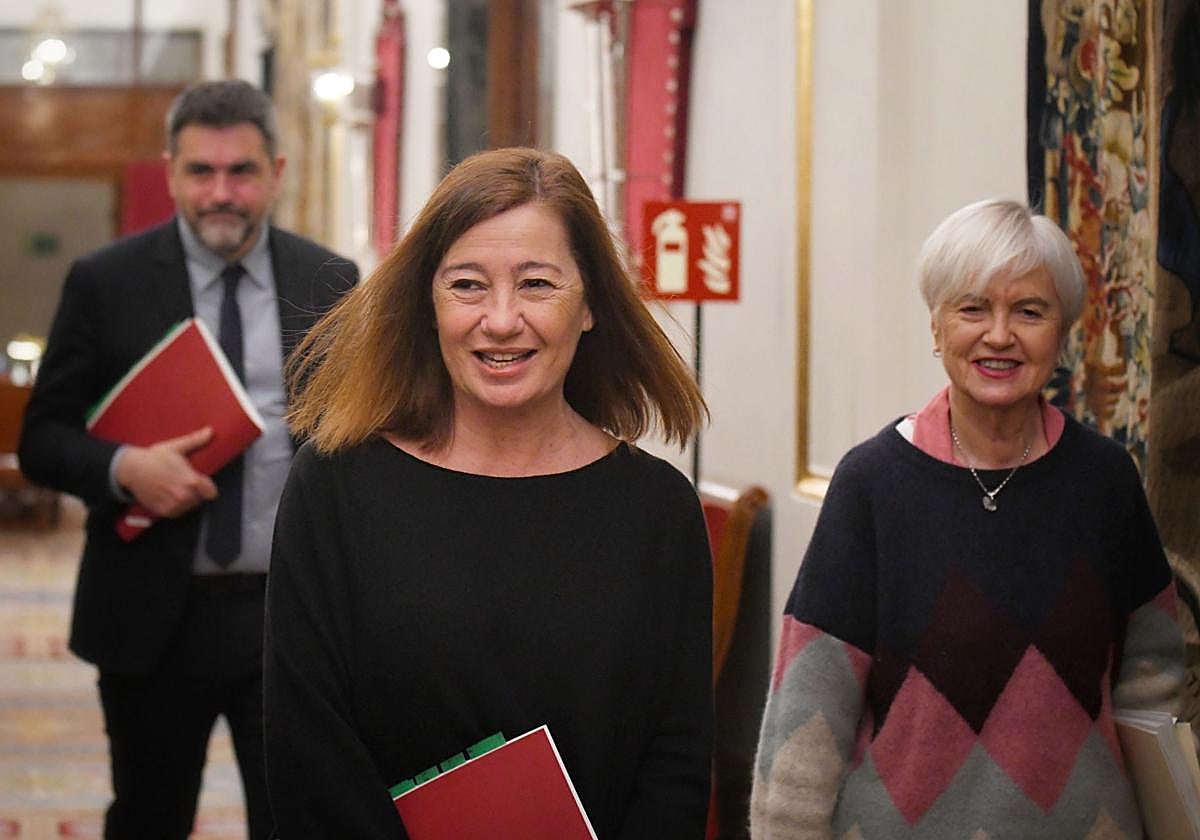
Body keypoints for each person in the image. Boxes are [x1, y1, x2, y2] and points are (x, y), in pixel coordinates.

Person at [263, 146, 714, 838]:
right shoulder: (335, 488)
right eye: (468, 286)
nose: (501, 320)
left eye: (536, 284)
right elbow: (307, 748)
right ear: (428, 303)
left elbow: (677, 756)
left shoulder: (657, 510)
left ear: (590, 304)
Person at [750, 199, 1185, 838]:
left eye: (1029, 311)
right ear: (936, 327)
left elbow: (1153, 687)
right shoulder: (873, 484)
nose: (999, 335)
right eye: (972, 308)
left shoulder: (1106, 482)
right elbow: (808, 714)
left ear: (1063, 332)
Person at [18, 79, 358, 839]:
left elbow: (355, 436)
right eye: (201, 172)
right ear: (171, 173)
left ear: (276, 172)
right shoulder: (105, 283)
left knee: (298, 824)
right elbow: (43, 438)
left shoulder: (329, 282)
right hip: (152, 616)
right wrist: (123, 469)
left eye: (241, 172)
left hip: (289, 619)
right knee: (148, 819)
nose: (221, 193)